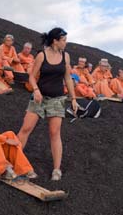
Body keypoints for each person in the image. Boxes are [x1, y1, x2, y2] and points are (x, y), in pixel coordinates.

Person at [16, 28, 77, 181]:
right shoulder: (42, 55)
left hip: (57, 99)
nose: (66, 42)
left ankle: (57, 170)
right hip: (39, 97)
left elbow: (68, 78)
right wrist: (35, 90)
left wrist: (73, 98)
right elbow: (31, 76)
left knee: (55, 133)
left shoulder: (66, 56)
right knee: (26, 128)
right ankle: (14, 160)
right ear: (55, 40)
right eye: (63, 40)